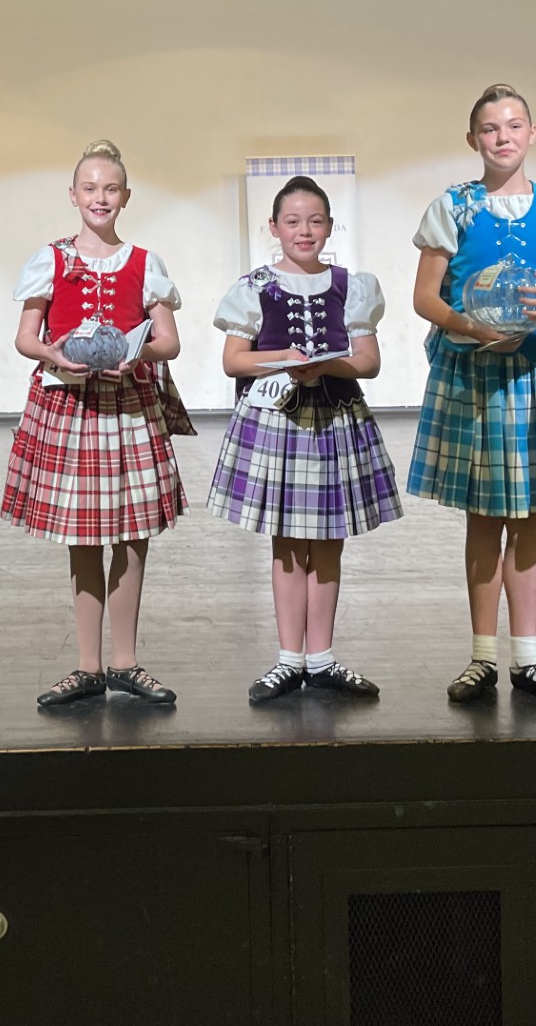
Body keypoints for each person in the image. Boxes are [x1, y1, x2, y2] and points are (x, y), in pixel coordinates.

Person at [409, 84, 536, 708]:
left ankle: (528, 659)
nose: (503, 136)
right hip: (476, 375)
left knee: (530, 519)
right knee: (483, 517)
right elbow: (425, 298)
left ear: (532, 134)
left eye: (514, 125)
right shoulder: (453, 206)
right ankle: (482, 658)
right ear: (473, 139)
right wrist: (472, 327)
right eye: (491, 128)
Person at [3, 139, 194, 707]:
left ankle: (125, 662)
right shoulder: (51, 260)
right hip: (70, 406)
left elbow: (169, 341)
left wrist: (137, 355)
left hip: (128, 407)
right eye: (90, 188)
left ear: (126, 196)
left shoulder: (144, 262)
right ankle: (87, 665)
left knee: (132, 536)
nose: (100, 198)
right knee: (82, 536)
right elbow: (25, 337)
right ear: (73, 195)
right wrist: (55, 355)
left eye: (110, 189)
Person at [207, 175, 402, 704]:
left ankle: (322, 657)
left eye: (315, 221)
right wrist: (285, 359)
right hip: (279, 423)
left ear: (330, 226)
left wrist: (325, 364)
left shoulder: (349, 285)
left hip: (334, 416)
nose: (304, 231)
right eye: (292, 221)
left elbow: (368, 361)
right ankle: (289, 659)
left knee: (329, 539)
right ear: (273, 227)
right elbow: (234, 361)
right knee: (288, 543)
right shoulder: (255, 286)